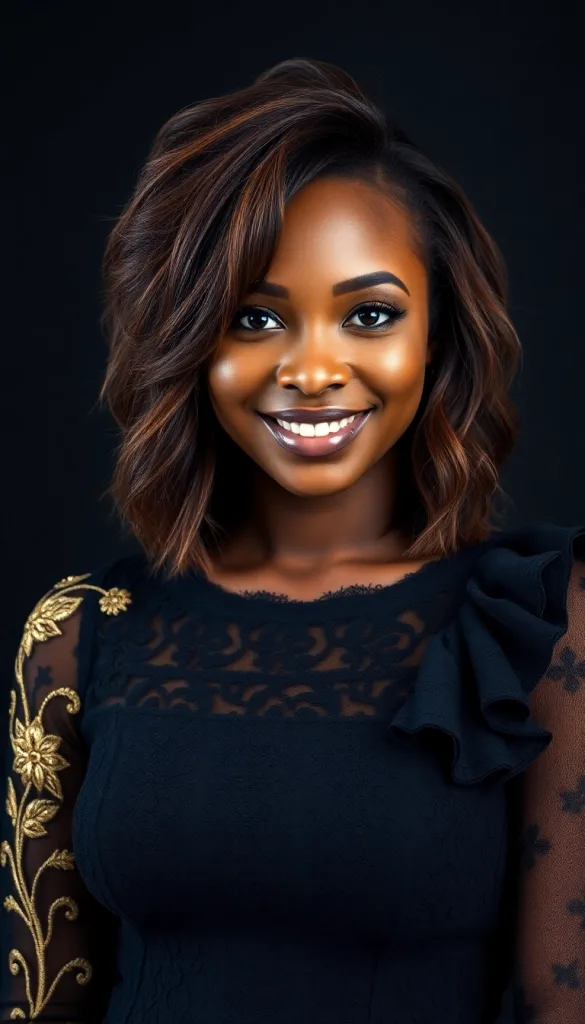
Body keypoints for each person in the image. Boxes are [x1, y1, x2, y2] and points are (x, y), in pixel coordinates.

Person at [1, 57, 584, 1024]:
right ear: (191, 339)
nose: (312, 369)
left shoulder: (537, 629)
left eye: (369, 315)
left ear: (435, 335)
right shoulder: (77, 637)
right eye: (256, 316)